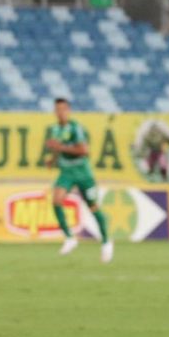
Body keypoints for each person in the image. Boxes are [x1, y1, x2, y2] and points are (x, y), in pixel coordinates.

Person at [44, 97, 113, 263]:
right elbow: (57, 149)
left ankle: (106, 242)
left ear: (68, 111)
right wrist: (52, 160)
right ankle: (70, 237)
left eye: (63, 109)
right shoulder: (55, 129)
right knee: (56, 200)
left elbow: (84, 150)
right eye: (57, 110)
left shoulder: (75, 128)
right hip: (66, 171)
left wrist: (60, 147)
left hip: (83, 172)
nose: (60, 113)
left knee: (93, 207)